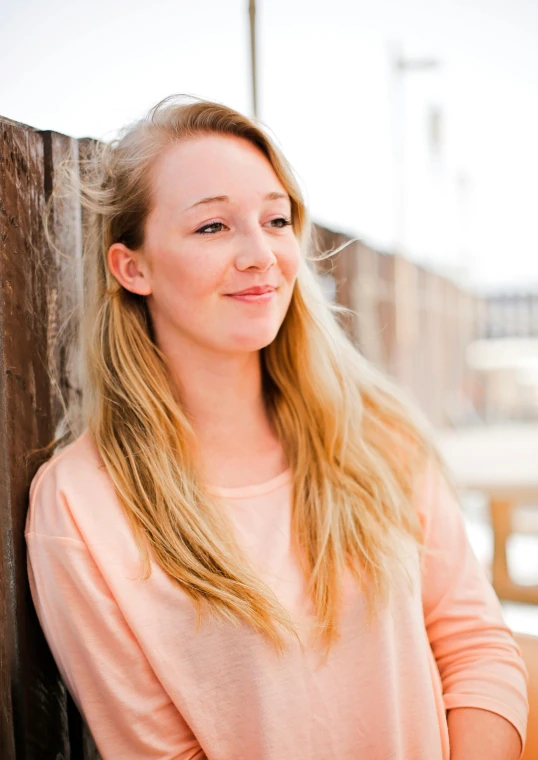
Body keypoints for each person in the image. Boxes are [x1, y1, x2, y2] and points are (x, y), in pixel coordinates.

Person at [25, 95, 528, 760]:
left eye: (275, 219)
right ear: (133, 267)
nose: (261, 254)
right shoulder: (80, 505)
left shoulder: (378, 435)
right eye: (213, 227)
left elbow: (475, 650)